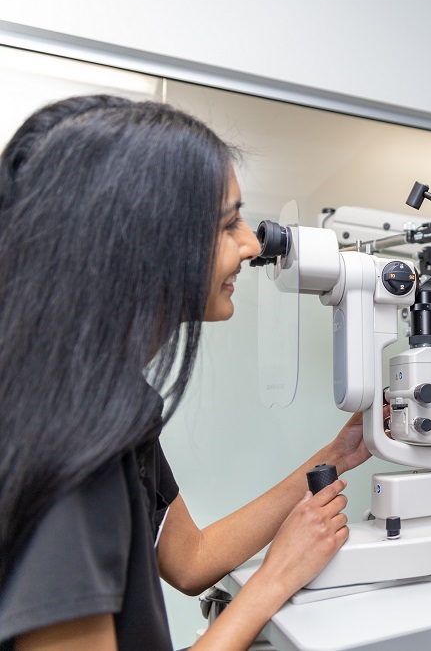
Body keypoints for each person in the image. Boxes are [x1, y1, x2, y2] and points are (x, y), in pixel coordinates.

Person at [0, 97, 372, 650]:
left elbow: (189, 559)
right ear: (144, 243)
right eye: (228, 225)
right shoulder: (64, 440)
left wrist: (339, 454)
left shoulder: (113, 402)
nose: (250, 245)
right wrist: (273, 580)